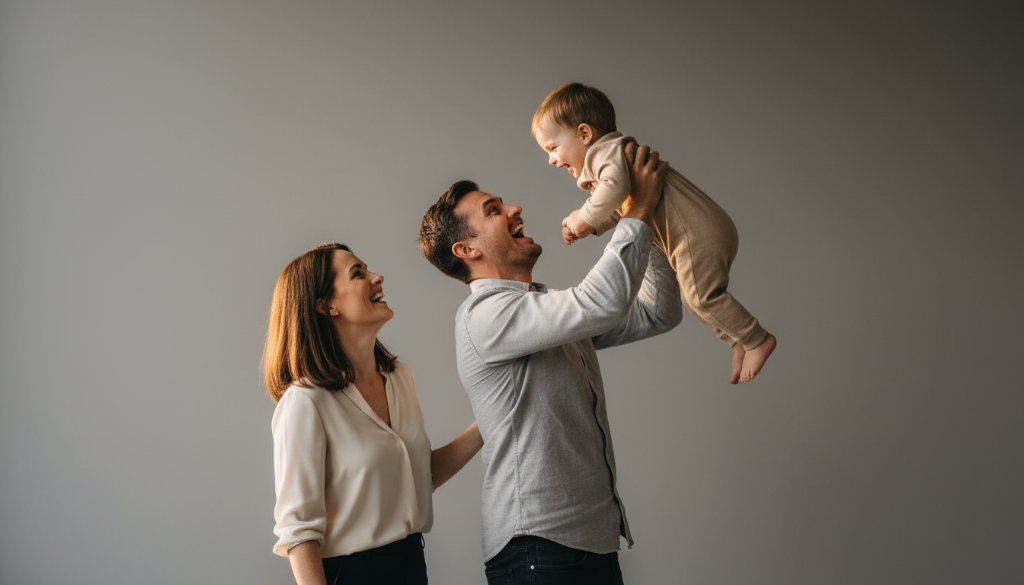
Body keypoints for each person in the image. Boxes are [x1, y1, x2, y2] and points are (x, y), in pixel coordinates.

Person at [418, 144, 682, 585]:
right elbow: (599, 303)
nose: (515, 209)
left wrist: (642, 224)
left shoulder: (542, 310)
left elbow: (658, 312)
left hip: (589, 543)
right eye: (494, 210)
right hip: (540, 548)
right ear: (466, 249)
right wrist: (634, 211)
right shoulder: (486, 317)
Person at [262, 243, 483, 585]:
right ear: (326, 306)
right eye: (358, 274)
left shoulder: (399, 379)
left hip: (412, 567)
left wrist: (493, 416)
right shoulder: (305, 402)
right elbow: (299, 533)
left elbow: (420, 475)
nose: (377, 278)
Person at [533, 82, 777, 384]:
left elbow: (615, 190)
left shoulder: (605, 153)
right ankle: (737, 339)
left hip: (696, 233)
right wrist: (592, 227)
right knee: (695, 298)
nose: (552, 160)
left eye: (553, 148)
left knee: (701, 297)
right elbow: (623, 206)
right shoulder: (613, 160)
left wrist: (582, 217)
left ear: (584, 134)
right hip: (697, 231)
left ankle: (756, 339)